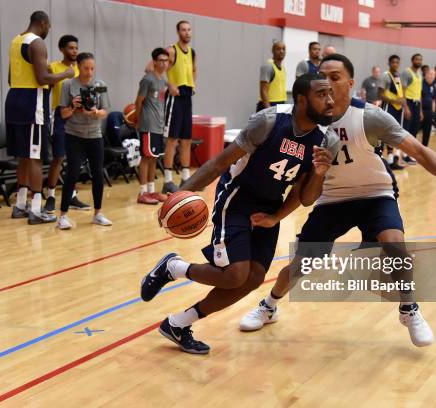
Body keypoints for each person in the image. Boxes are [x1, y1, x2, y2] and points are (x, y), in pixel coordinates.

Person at [239, 53, 436, 348]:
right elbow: (301, 187)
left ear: (350, 83)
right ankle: (269, 305)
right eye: (322, 78)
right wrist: (275, 217)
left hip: (375, 194)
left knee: (394, 244)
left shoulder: (369, 117)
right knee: (303, 264)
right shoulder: (307, 122)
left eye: (334, 78)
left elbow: (419, 151)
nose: (328, 84)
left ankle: (409, 308)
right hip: (332, 199)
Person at [140, 73, 339, 354]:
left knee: (254, 277)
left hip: (270, 206)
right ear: (302, 100)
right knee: (235, 275)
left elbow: (304, 198)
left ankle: (178, 324)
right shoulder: (269, 121)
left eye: (331, 93)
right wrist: (178, 196)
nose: (331, 101)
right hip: (237, 199)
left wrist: (316, 177)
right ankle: (173, 268)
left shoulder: (326, 140)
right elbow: (220, 162)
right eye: (322, 94)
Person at [5, 11, 75, 224]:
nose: (48, 31)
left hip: (14, 100)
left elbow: (10, 78)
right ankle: (36, 210)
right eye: (48, 27)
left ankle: (20, 205)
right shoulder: (37, 43)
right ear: (43, 24)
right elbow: (42, 77)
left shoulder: (16, 41)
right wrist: (65, 74)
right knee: (35, 156)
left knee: (24, 156)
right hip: (32, 104)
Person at [56, 52, 112, 230]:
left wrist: (95, 112)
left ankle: (98, 213)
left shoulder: (100, 85)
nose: (89, 72)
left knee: (97, 174)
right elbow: (63, 114)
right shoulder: (68, 85)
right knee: (72, 174)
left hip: (94, 136)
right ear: (78, 67)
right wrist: (73, 106)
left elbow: (105, 111)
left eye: (92, 68)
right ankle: (62, 216)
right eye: (86, 68)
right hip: (74, 136)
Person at [45, 35, 90, 214]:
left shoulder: (80, 70)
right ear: (62, 49)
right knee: (58, 157)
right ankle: (50, 195)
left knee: (75, 159)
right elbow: (45, 90)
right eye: (71, 48)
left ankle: (71, 195)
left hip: (78, 116)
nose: (74, 51)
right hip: (60, 114)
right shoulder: (54, 68)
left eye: (76, 48)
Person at [161, 20, 198, 194]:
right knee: (172, 139)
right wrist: (169, 85)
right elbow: (153, 69)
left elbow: (194, 70)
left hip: (187, 96)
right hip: (175, 98)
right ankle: (167, 181)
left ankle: (185, 178)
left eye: (189, 30)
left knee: (186, 139)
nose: (187, 33)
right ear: (178, 32)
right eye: (184, 30)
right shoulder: (171, 51)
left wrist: (193, 85)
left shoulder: (192, 52)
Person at [135, 48, 170, 205]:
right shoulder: (147, 79)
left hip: (158, 125)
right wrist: (138, 120)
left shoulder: (162, 81)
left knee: (154, 158)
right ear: (154, 61)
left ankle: (151, 190)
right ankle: (142, 193)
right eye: (160, 60)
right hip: (148, 124)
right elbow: (139, 101)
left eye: (166, 61)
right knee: (146, 157)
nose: (163, 63)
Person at [378, 55, 407, 170]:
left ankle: (391, 161)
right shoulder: (386, 76)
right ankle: (381, 160)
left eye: (397, 62)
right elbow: (380, 94)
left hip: (398, 108)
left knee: (394, 133)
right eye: (393, 62)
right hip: (388, 107)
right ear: (389, 63)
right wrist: (395, 100)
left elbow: (399, 93)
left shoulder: (398, 76)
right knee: (385, 133)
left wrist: (402, 100)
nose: (395, 64)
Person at [401, 53, 424, 164]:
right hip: (408, 103)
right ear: (412, 60)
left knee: (414, 130)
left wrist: (420, 110)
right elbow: (402, 91)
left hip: (417, 104)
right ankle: (404, 155)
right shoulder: (406, 72)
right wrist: (405, 107)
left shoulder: (419, 74)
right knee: (406, 131)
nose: (418, 61)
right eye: (416, 59)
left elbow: (419, 93)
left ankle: (410, 154)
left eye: (420, 60)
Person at [257, 41, 287, 112]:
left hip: (280, 105)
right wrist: (268, 109)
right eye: (278, 49)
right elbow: (263, 90)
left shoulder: (283, 68)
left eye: (283, 49)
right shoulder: (268, 66)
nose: (281, 51)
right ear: (273, 50)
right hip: (269, 105)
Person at [420, 68, 436, 147]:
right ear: (426, 74)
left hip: (429, 112)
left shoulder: (433, 85)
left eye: (433, 75)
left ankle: (424, 148)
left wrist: (433, 112)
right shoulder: (421, 83)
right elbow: (419, 98)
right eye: (430, 74)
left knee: (427, 132)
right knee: (414, 131)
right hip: (421, 111)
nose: (431, 76)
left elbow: (433, 99)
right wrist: (420, 112)